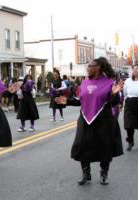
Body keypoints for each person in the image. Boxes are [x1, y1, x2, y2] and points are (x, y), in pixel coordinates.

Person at [55, 57, 124, 185]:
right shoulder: (85, 83)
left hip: (104, 120)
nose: (88, 68)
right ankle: (86, 173)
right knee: (81, 145)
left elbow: (113, 103)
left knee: (105, 147)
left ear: (99, 67)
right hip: (85, 119)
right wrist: (68, 101)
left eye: (90, 66)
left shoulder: (109, 83)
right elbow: (81, 101)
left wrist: (114, 94)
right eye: (88, 66)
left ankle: (104, 173)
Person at [123, 64, 138, 151]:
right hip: (130, 103)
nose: (137, 70)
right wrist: (124, 102)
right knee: (128, 125)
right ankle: (130, 141)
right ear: (132, 71)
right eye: (135, 69)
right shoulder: (128, 81)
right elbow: (124, 92)